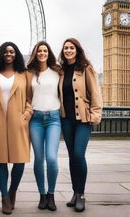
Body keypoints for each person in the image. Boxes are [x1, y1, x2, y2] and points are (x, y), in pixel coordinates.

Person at [0, 42, 32, 215]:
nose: (8, 54)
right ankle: (4, 197)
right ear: (0, 54)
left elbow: (30, 98)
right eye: (5, 51)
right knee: (1, 161)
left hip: (19, 121)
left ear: (16, 54)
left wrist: (27, 112)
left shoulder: (24, 74)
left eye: (11, 51)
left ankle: (13, 191)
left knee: (19, 161)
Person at [58, 38, 102, 212]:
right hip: (66, 119)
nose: (68, 50)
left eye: (71, 48)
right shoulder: (60, 71)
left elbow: (95, 94)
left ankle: (81, 194)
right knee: (71, 157)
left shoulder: (86, 69)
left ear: (77, 50)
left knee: (78, 155)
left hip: (83, 119)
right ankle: (75, 193)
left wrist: (95, 115)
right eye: (66, 48)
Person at [26, 41, 61, 211]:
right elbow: (25, 96)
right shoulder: (30, 73)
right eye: (39, 51)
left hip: (54, 118)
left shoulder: (57, 72)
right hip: (36, 119)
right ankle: (42, 195)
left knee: (52, 158)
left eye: (45, 50)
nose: (42, 53)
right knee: (39, 159)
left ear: (49, 53)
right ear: (35, 53)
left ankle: (51, 194)